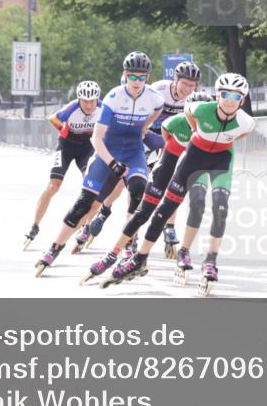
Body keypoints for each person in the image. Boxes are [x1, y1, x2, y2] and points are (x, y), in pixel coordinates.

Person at [98, 73, 255, 297]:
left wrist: (223, 142)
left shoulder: (247, 122)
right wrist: (197, 133)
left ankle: (211, 260)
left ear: (243, 99)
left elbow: (240, 135)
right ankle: (140, 258)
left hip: (221, 160)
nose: (230, 100)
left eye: (236, 96)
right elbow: (187, 116)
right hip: (194, 155)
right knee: (164, 210)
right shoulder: (200, 109)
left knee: (221, 207)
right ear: (217, 95)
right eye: (225, 94)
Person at [34, 52, 164, 277]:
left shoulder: (153, 97)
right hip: (108, 150)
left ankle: (129, 245)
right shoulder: (114, 97)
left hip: (134, 151)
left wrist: (145, 126)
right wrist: (112, 163)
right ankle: (54, 248)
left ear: (148, 78)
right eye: (132, 77)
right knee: (84, 204)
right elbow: (96, 138)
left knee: (137, 191)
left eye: (141, 78)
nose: (136, 82)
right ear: (124, 75)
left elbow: (159, 109)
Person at [79, 90, 213, 285]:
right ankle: (115, 252)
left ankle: (182, 251)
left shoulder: (213, 132)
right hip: (166, 168)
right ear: (186, 112)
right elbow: (160, 143)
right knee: (142, 210)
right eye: (193, 114)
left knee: (196, 205)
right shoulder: (173, 123)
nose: (197, 120)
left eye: (202, 115)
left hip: (192, 171)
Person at [80, 60, 202, 254]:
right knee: (125, 182)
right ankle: (104, 210)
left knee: (171, 180)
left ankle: (169, 228)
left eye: (191, 85)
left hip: (170, 139)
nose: (187, 89)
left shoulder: (193, 100)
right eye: (184, 83)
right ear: (175, 79)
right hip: (147, 135)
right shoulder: (158, 90)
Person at [22, 81, 102, 250]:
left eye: (92, 101)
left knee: (91, 186)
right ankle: (35, 225)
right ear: (79, 99)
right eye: (85, 101)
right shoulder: (72, 108)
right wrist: (63, 130)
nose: (88, 105)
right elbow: (53, 118)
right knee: (53, 186)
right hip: (67, 145)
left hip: (87, 147)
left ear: (97, 99)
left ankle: (85, 227)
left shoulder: (103, 108)